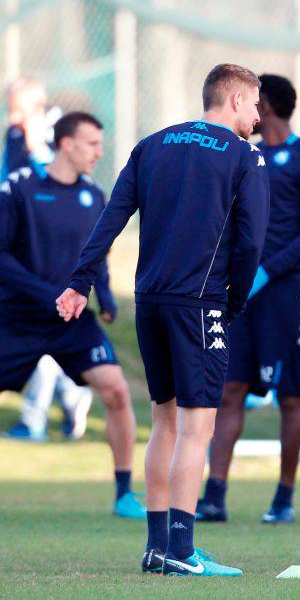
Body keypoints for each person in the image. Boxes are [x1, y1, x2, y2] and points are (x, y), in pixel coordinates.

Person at [58, 64, 269, 576]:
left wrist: (79, 280)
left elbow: (111, 217)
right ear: (236, 100)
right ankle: (181, 550)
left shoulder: (153, 144)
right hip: (200, 306)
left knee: (166, 421)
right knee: (198, 426)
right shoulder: (245, 156)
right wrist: (234, 301)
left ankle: (157, 548)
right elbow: (251, 241)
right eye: (256, 104)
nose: (259, 116)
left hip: (150, 302)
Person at [198, 74, 300, 525]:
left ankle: (284, 497)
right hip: (241, 291)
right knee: (230, 389)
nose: (251, 109)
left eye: (257, 101)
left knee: (290, 397)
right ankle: (214, 494)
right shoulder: (241, 154)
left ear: (268, 104)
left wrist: (270, 270)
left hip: (290, 291)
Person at [0, 111, 144, 518]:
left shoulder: (93, 195)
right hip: (16, 320)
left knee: (116, 390)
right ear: (66, 144)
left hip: (72, 322)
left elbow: (95, 254)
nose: (99, 152)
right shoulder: (20, 187)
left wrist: (107, 297)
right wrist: (48, 294)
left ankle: (123, 494)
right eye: (91, 144)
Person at [3, 79, 91, 441]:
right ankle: (72, 396)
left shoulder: (50, 136)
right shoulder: (17, 136)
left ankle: (38, 417)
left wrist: (28, 137)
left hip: (50, 254)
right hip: (22, 250)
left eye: (16, 106)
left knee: (44, 332)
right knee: (42, 335)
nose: (11, 113)